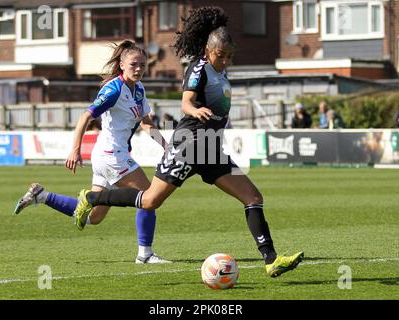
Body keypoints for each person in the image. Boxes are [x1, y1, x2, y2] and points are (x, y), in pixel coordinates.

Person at [73, 7, 303, 278]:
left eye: (230, 56)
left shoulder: (221, 71)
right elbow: (186, 102)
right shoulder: (199, 67)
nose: (225, 60)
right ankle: (92, 197)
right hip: (190, 145)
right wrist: (195, 111)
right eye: (221, 55)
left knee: (253, 197)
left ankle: (272, 260)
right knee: (149, 201)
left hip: (210, 148)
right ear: (208, 50)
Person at [13, 40, 171, 264]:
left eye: (143, 65)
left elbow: (146, 123)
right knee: (148, 197)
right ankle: (144, 254)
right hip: (111, 155)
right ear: (122, 65)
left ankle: (42, 196)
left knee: (93, 218)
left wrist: (166, 146)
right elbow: (86, 116)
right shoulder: (114, 89)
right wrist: (75, 149)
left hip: (110, 155)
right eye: (134, 64)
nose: (139, 69)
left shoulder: (139, 90)